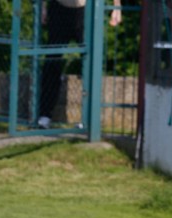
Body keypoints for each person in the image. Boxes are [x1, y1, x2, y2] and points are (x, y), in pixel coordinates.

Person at [38, 0, 122, 129]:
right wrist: (42, 6)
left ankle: (88, 118)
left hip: (85, 9)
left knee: (90, 63)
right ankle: (44, 115)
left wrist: (117, 7)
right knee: (52, 61)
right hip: (59, 8)